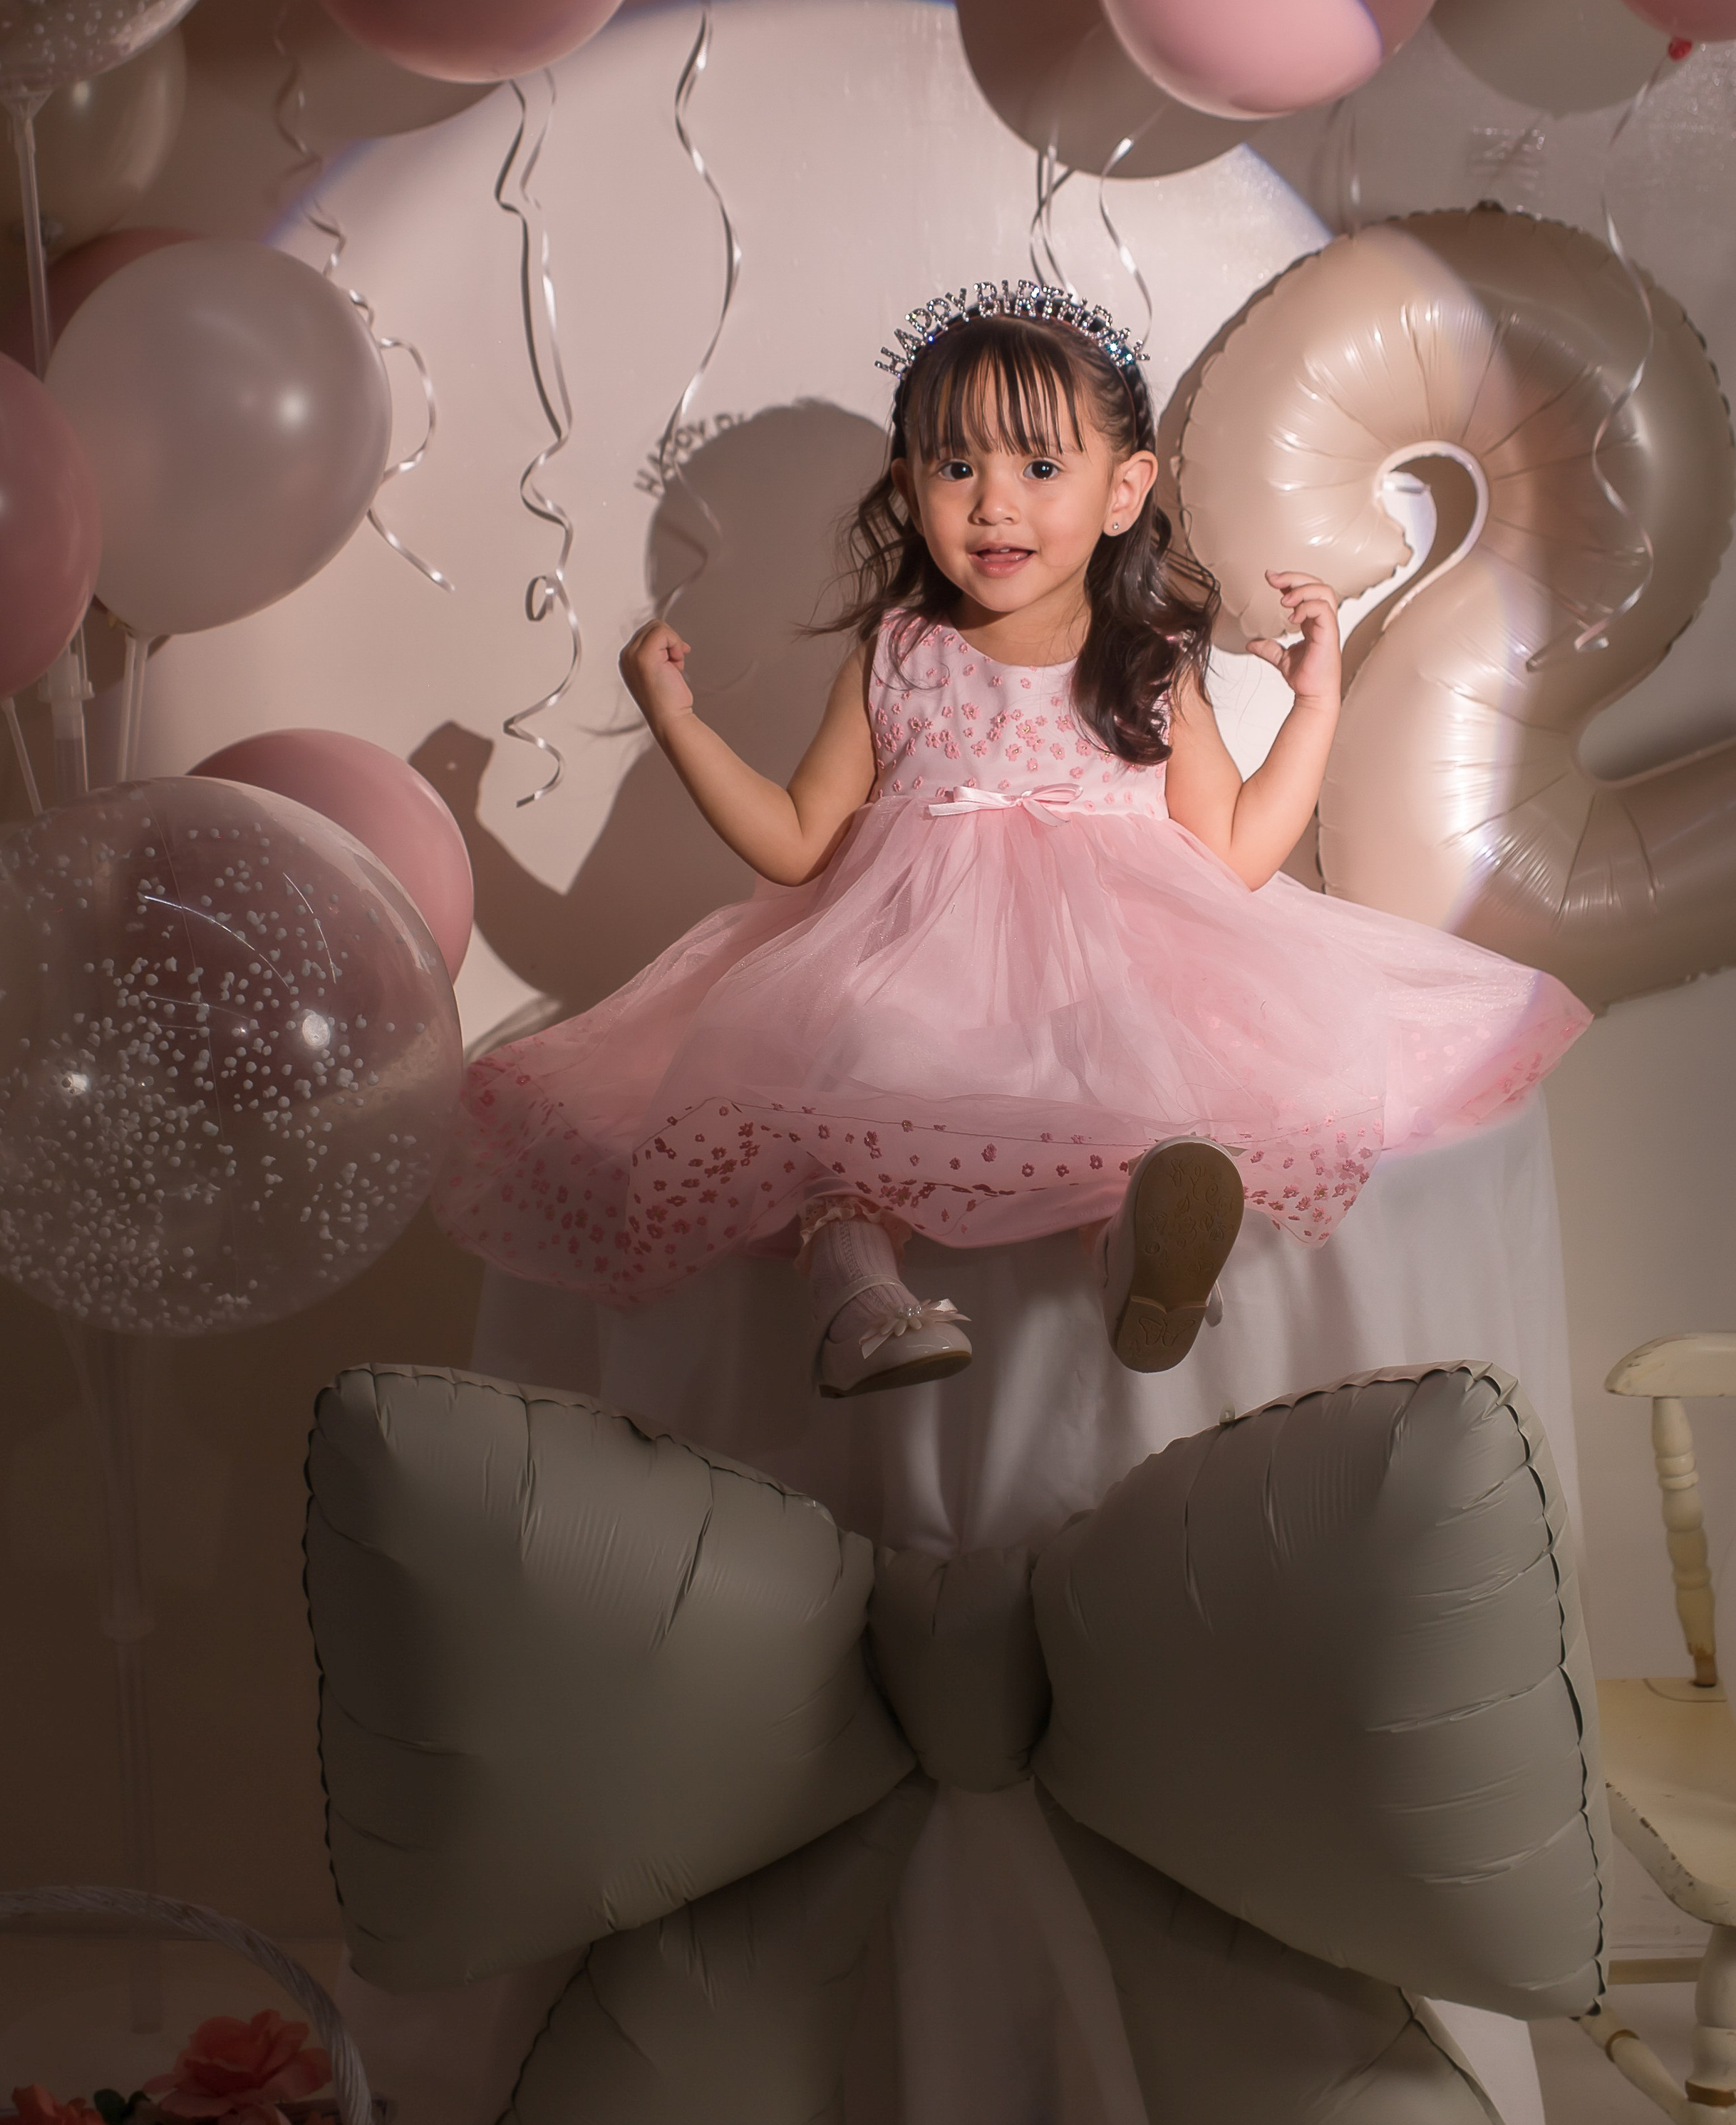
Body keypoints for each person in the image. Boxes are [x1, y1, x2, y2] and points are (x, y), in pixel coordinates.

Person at [437, 280, 1589, 1396]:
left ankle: (1139, 1263)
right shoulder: (900, 656)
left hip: (1106, 981)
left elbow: (1235, 855)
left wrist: (1316, 708)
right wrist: (675, 719)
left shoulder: (1146, 665)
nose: (994, 504)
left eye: (1040, 468)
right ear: (908, 487)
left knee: (1130, 1085)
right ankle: (858, 1296)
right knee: (855, 1072)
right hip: (914, 978)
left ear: (1124, 490)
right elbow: (794, 842)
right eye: (956, 468)